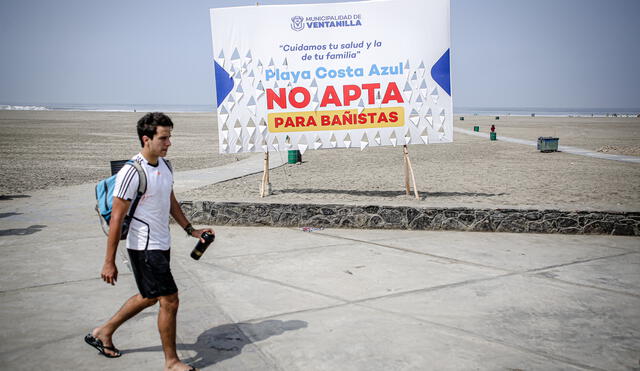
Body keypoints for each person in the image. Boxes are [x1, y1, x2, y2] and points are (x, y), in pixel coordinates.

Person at [84, 112, 213, 371]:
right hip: (144, 247)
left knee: (149, 296)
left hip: (160, 244)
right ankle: (172, 361)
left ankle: (104, 331)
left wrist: (191, 230)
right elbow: (117, 219)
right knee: (170, 300)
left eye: (169, 137)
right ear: (146, 139)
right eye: (163, 138)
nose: (169, 143)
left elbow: (169, 200)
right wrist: (109, 261)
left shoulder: (165, 166)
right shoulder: (132, 172)